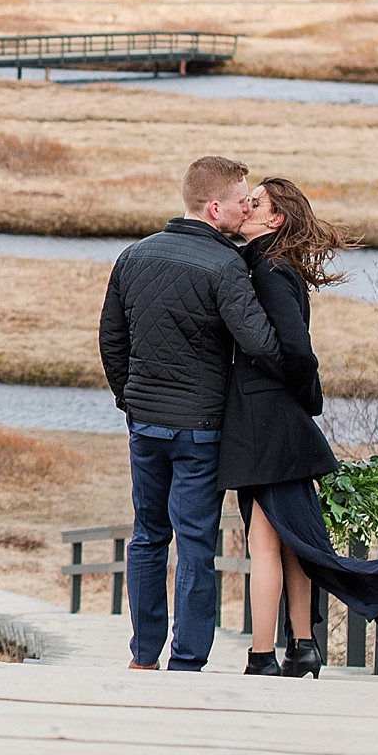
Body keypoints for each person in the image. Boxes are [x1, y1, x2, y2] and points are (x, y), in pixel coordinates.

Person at [221, 176, 378, 677]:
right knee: (294, 540)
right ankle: (304, 645)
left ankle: (262, 656)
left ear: (276, 220)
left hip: (267, 425)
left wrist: (306, 399)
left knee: (265, 542)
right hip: (279, 424)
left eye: (256, 204)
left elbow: (295, 348)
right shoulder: (273, 263)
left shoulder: (268, 269)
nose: (245, 207)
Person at [99, 156, 286, 672]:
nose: (247, 206)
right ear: (213, 207)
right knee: (196, 543)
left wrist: (131, 401)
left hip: (146, 424)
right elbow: (261, 342)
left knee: (147, 536)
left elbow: (112, 341)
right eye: (241, 200)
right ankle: (186, 661)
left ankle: (142, 656)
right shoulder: (226, 265)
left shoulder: (133, 257)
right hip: (202, 429)